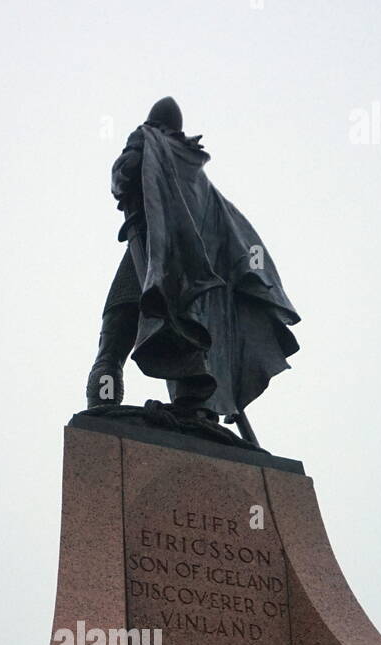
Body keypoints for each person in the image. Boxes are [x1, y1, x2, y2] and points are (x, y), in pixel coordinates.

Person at [86, 97, 300, 434]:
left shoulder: (148, 140)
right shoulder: (195, 172)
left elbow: (122, 179)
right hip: (190, 276)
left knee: (113, 344)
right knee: (185, 331)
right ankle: (193, 408)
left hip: (147, 256)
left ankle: (102, 413)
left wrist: (133, 155)